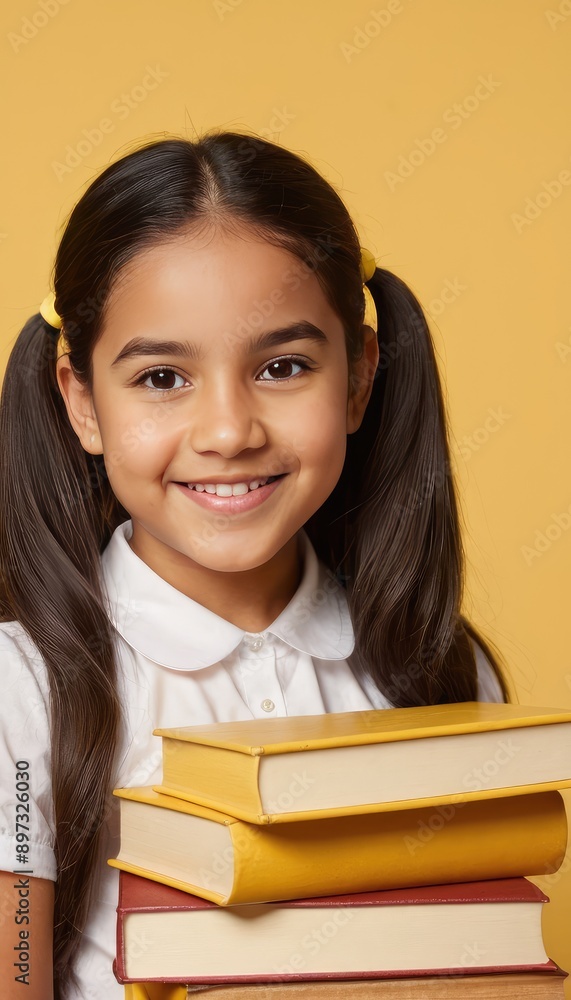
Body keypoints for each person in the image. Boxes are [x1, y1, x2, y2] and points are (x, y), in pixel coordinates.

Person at [0, 132, 507, 999]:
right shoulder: (26, 689)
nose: (229, 431)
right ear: (82, 403)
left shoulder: (440, 669)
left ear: (356, 381)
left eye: (281, 367)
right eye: (162, 378)